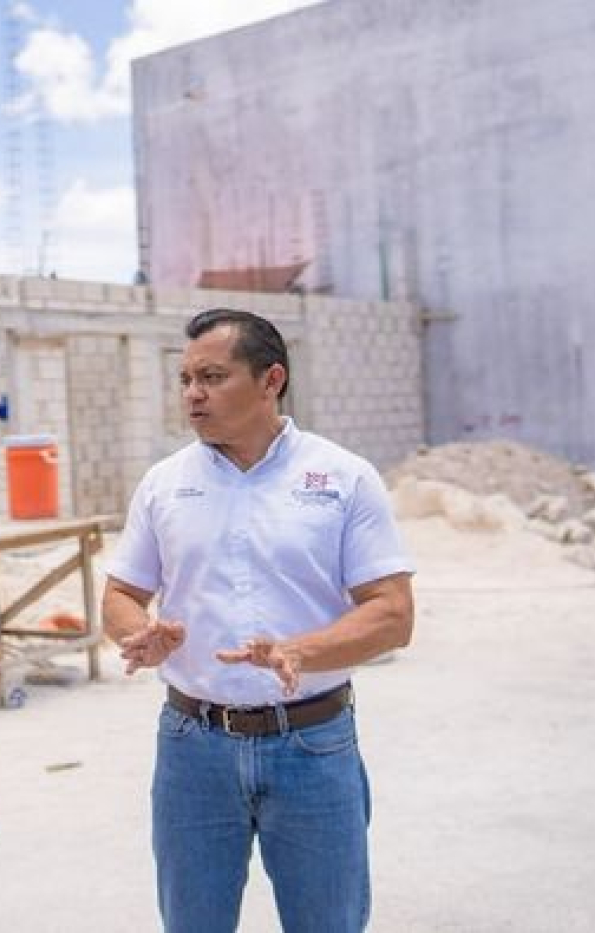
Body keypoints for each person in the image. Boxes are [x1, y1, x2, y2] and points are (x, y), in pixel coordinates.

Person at [103, 308, 415, 933]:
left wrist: (301, 650)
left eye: (213, 377)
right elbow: (120, 593)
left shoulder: (343, 479)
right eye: (186, 378)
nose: (193, 394)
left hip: (313, 745)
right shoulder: (165, 484)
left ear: (271, 379)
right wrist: (138, 631)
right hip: (192, 748)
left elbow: (393, 615)